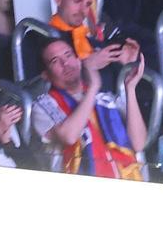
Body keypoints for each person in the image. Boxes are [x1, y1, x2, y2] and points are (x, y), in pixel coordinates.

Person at [32, 39, 149, 180]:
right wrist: (93, 85)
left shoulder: (105, 99)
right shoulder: (42, 106)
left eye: (68, 55)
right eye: (55, 61)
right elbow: (69, 136)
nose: (65, 64)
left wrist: (130, 88)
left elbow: (139, 143)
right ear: (46, 75)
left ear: (77, 59)